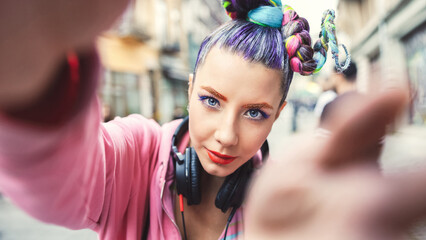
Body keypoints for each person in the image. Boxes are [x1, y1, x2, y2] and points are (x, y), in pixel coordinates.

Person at [0, 0, 348, 239]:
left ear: (279, 115)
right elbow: (60, 180)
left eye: (254, 113)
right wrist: (31, 75)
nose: (226, 136)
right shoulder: (137, 154)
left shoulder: (287, 206)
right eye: (211, 101)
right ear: (189, 90)